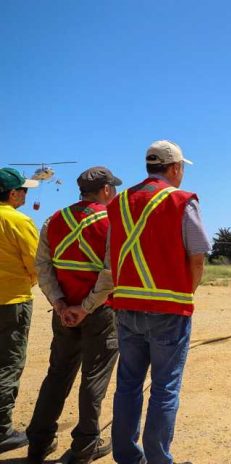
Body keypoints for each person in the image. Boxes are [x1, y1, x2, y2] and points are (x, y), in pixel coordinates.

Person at [108, 141, 210, 464]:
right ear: (175, 168)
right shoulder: (182, 200)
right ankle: (158, 459)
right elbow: (197, 258)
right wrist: (185, 292)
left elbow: (112, 255)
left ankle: (126, 456)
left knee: (128, 384)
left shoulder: (120, 201)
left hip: (126, 308)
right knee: (164, 388)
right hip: (170, 311)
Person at [26, 167, 122, 463]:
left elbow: (43, 266)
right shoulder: (112, 223)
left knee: (57, 375)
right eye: (114, 188)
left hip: (64, 313)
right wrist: (86, 307)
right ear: (106, 190)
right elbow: (110, 272)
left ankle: (38, 443)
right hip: (100, 313)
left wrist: (60, 304)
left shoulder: (54, 220)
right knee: (94, 378)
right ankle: (85, 444)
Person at [0, 167, 39, 454]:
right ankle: (2, 432)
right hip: (12, 302)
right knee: (8, 365)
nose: (26, 194)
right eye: (24, 190)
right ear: (13, 193)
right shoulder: (18, 220)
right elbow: (36, 265)